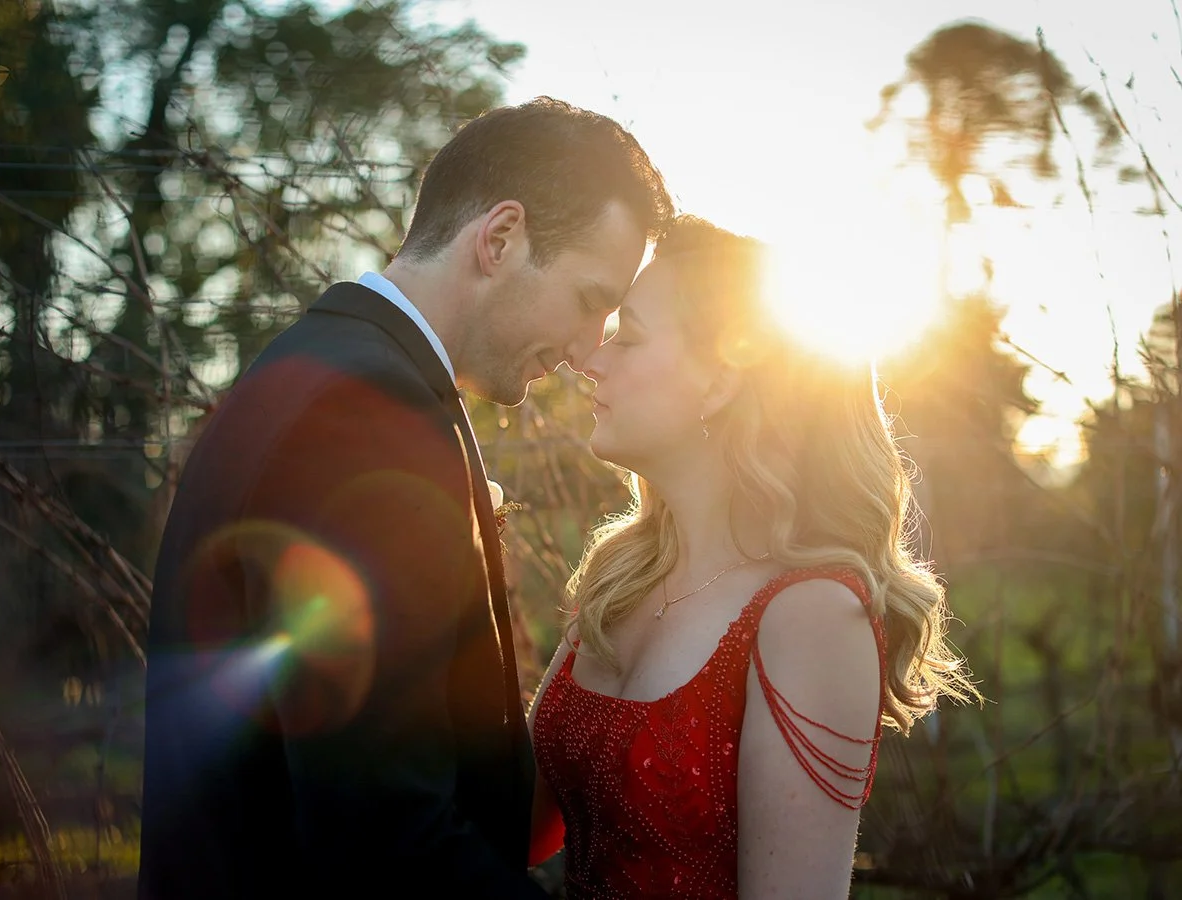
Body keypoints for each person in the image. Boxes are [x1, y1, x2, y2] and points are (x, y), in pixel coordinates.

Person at [137, 98, 673, 900]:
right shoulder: (367, 417)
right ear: (499, 239)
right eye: (591, 299)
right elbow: (387, 839)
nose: (585, 348)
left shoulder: (319, 366)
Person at [529, 216, 980, 898]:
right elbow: (522, 833)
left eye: (630, 337)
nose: (593, 361)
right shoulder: (616, 579)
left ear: (718, 383)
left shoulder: (811, 615)